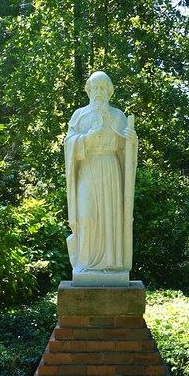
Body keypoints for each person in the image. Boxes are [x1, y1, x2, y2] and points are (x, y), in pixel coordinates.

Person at [63, 72, 137, 284]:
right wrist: (86, 139)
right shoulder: (79, 115)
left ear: (109, 92)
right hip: (87, 167)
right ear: (88, 90)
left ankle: (110, 264)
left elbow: (125, 151)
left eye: (102, 88)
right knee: (87, 215)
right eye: (94, 88)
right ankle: (85, 263)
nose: (98, 92)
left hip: (110, 169)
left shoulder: (117, 116)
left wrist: (132, 142)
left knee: (109, 216)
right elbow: (68, 144)